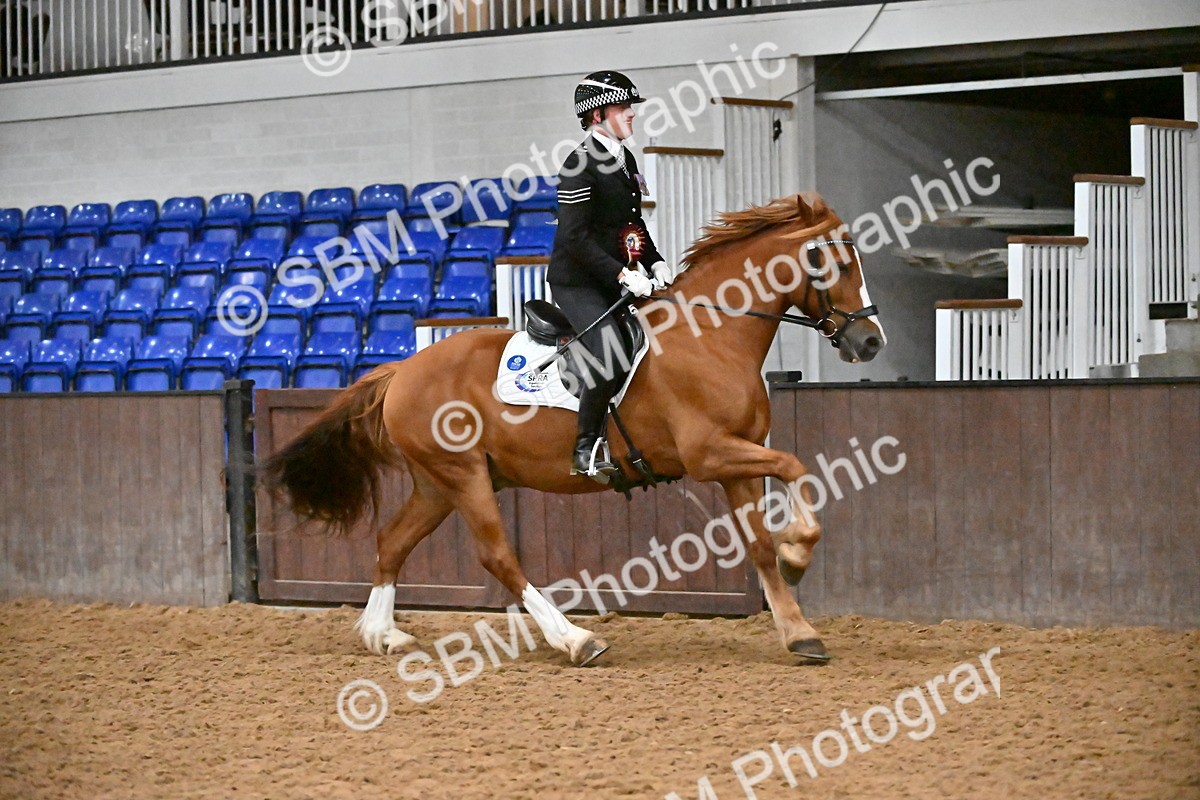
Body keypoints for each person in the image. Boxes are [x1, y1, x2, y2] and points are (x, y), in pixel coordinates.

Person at [547, 70, 678, 483]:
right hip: (577, 281)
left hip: (614, 277)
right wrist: (624, 274)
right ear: (599, 115)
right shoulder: (578, 164)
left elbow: (630, 224)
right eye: (625, 108)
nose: (633, 115)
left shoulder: (626, 160)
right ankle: (585, 447)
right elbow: (574, 239)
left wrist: (654, 261)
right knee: (610, 353)